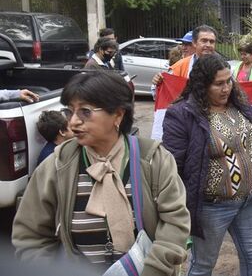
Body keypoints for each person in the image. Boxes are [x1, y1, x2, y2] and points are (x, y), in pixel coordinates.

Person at [12, 70, 190, 275]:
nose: (73, 122)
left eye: (85, 111)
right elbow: (30, 236)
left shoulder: (153, 159)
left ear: (118, 114)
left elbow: (175, 224)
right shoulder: (57, 165)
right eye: (69, 111)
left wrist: (154, 270)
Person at [161, 54, 252, 276]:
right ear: (202, 85)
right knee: (203, 265)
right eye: (218, 84)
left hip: (247, 201)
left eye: (228, 81)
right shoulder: (181, 115)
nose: (226, 89)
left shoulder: (238, 103)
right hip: (211, 208)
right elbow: (174, 166)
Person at [152, 24, 218, 86]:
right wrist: (158, 82)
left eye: (212, 42)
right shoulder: (179, 67)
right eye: (204, 41)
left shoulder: (223, 66)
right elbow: (164, 90)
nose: (208, 45)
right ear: (194, 43)